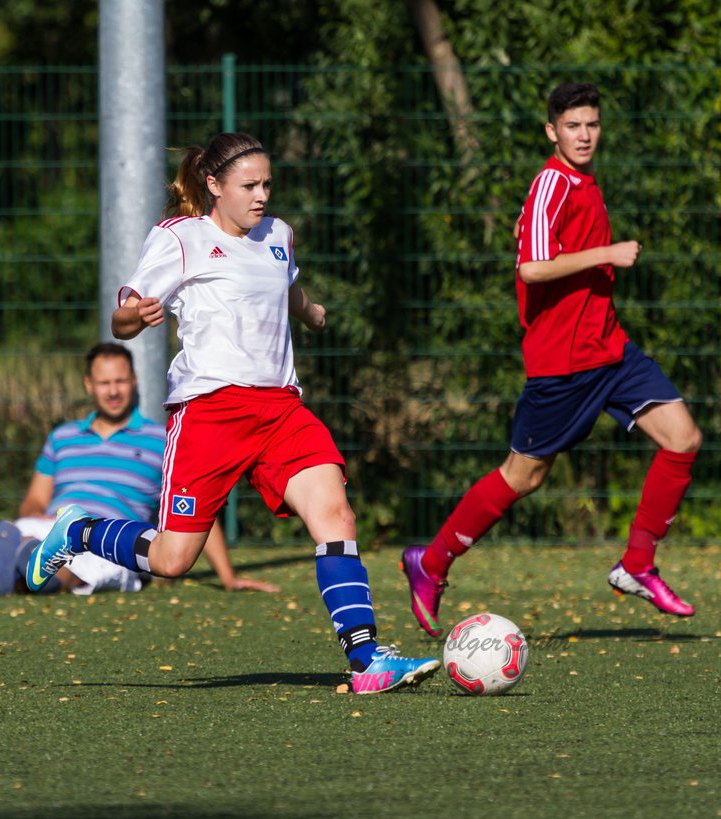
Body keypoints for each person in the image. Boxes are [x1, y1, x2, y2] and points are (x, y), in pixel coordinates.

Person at [23, 132, 440, 694]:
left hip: (281, 409)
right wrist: (134, 318)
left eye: (267, 184)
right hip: (210, 412)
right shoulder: (181, 238)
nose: (262, 196)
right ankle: (82, 529)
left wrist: (310, 310)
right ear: (214, 185)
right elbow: (122, 316)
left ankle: (366, 661)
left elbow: (283, 287)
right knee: (173, 561)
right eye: (250, 186)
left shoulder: (280, 236)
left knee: (336, 517)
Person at [400, 82, 703, 636]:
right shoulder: (551, 185)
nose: (584, 135)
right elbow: (532, 268)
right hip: (563, 364)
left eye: (592, 124)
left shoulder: (586, 183)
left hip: (609, 349)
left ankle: (637, 563)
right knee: (523, 476)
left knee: (683, 438)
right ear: (552, 131)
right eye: (572, 126)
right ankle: (432, 562)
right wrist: (607, 254)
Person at [0, 342, 277, 596]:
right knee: (30, 532)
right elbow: (33, 501)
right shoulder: (62, 437)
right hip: (50, 525)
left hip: (111, 538)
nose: (113, 391)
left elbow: (192, 507)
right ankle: (29, 556)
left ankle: (23, 564)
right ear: (89, 384)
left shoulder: (162, 439)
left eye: (121, 381)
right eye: (104, 383)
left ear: (134, 381)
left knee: (83, 562)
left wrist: (227, 576)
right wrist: (42, 519)